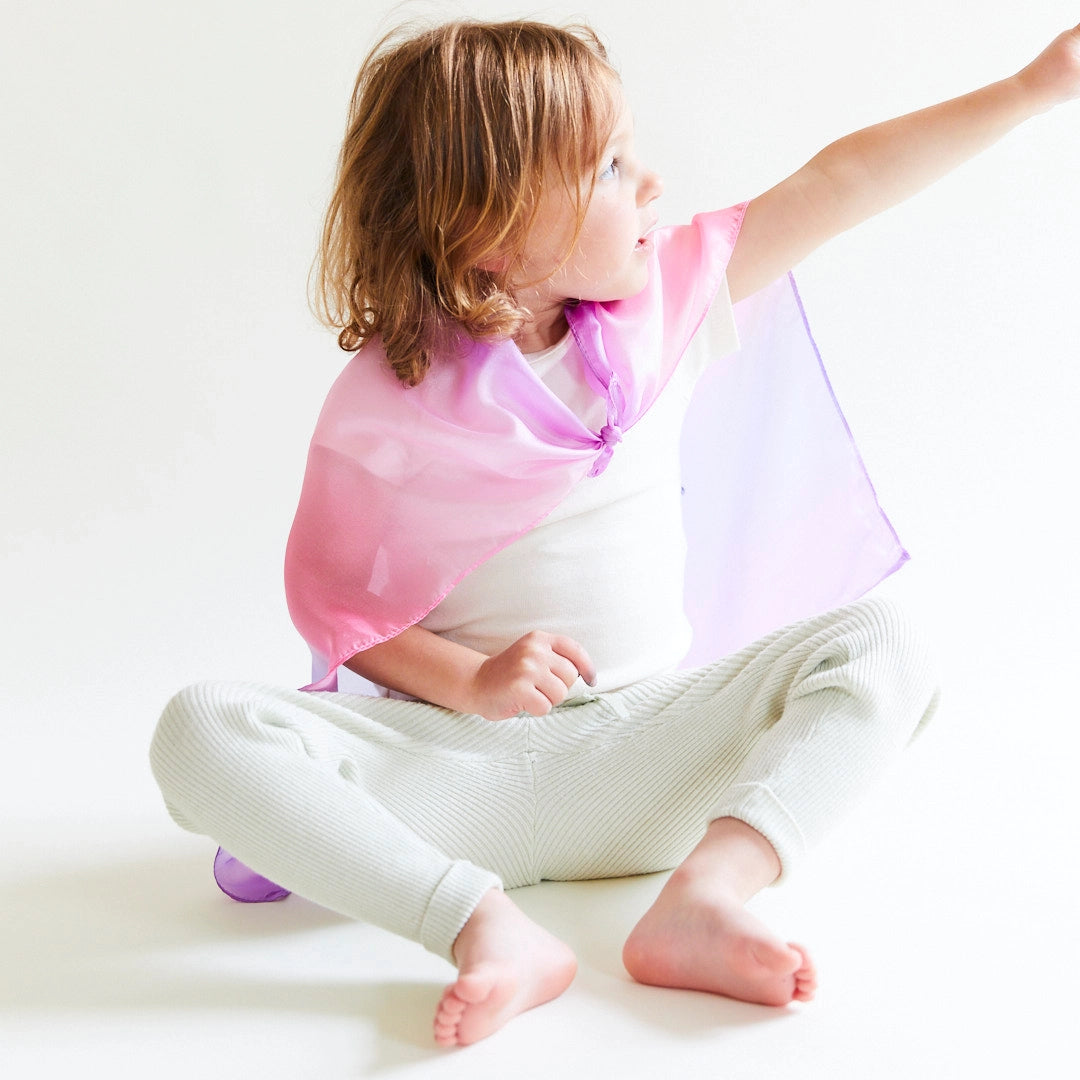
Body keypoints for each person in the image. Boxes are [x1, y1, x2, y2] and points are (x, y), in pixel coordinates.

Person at [150, 18, 1080, 1048]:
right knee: (201, 727)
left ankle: (707, 895)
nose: (651, 183)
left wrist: (1033, 87)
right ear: (491, 229)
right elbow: (335, 607)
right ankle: (480, 925)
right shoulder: (388, 401)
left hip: (652, 759)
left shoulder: (667, 307)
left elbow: (839, 181)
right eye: (610, 167)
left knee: (886, 640)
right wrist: (471, 683)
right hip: (459, 774)